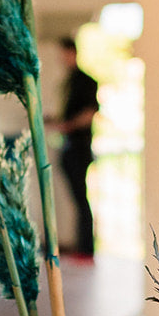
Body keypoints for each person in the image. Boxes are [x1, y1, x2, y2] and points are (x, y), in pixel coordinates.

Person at [57, 36, 98, 261]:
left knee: (81, 199)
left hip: (79, 147)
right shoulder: (69, 81)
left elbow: (89, 112)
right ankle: (81, 246)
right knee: (76, 199)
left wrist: (67, 126)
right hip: (69, 146)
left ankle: (86, 248)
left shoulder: (85, 81)